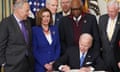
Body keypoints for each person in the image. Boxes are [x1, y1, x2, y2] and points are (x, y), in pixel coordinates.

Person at [0, 0, 34, 72]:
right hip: (13, 66)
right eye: (27, 11)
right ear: (18, 9)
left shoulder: (28, 22)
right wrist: (3, 63)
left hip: (28, 64)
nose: (28, 13)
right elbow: (1, 45)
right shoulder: (6, 23)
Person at [32, 8, 60, 72]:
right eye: (43, 16)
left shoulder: (55, 29)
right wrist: (45, 64)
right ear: (40, 18)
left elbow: (58, 47)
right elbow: (34, 50)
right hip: (41, 66)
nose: (46, 19)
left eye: (48, 16)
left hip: (54, 65)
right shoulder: (35, 30)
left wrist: (53, 62)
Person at [99, 0, 120, 71]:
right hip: (105, 59)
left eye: (112, 11)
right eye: (108, 11)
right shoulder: (102, 19)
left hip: (118, 60)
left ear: (118, 10)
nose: (110, 13)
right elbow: (99, 39)